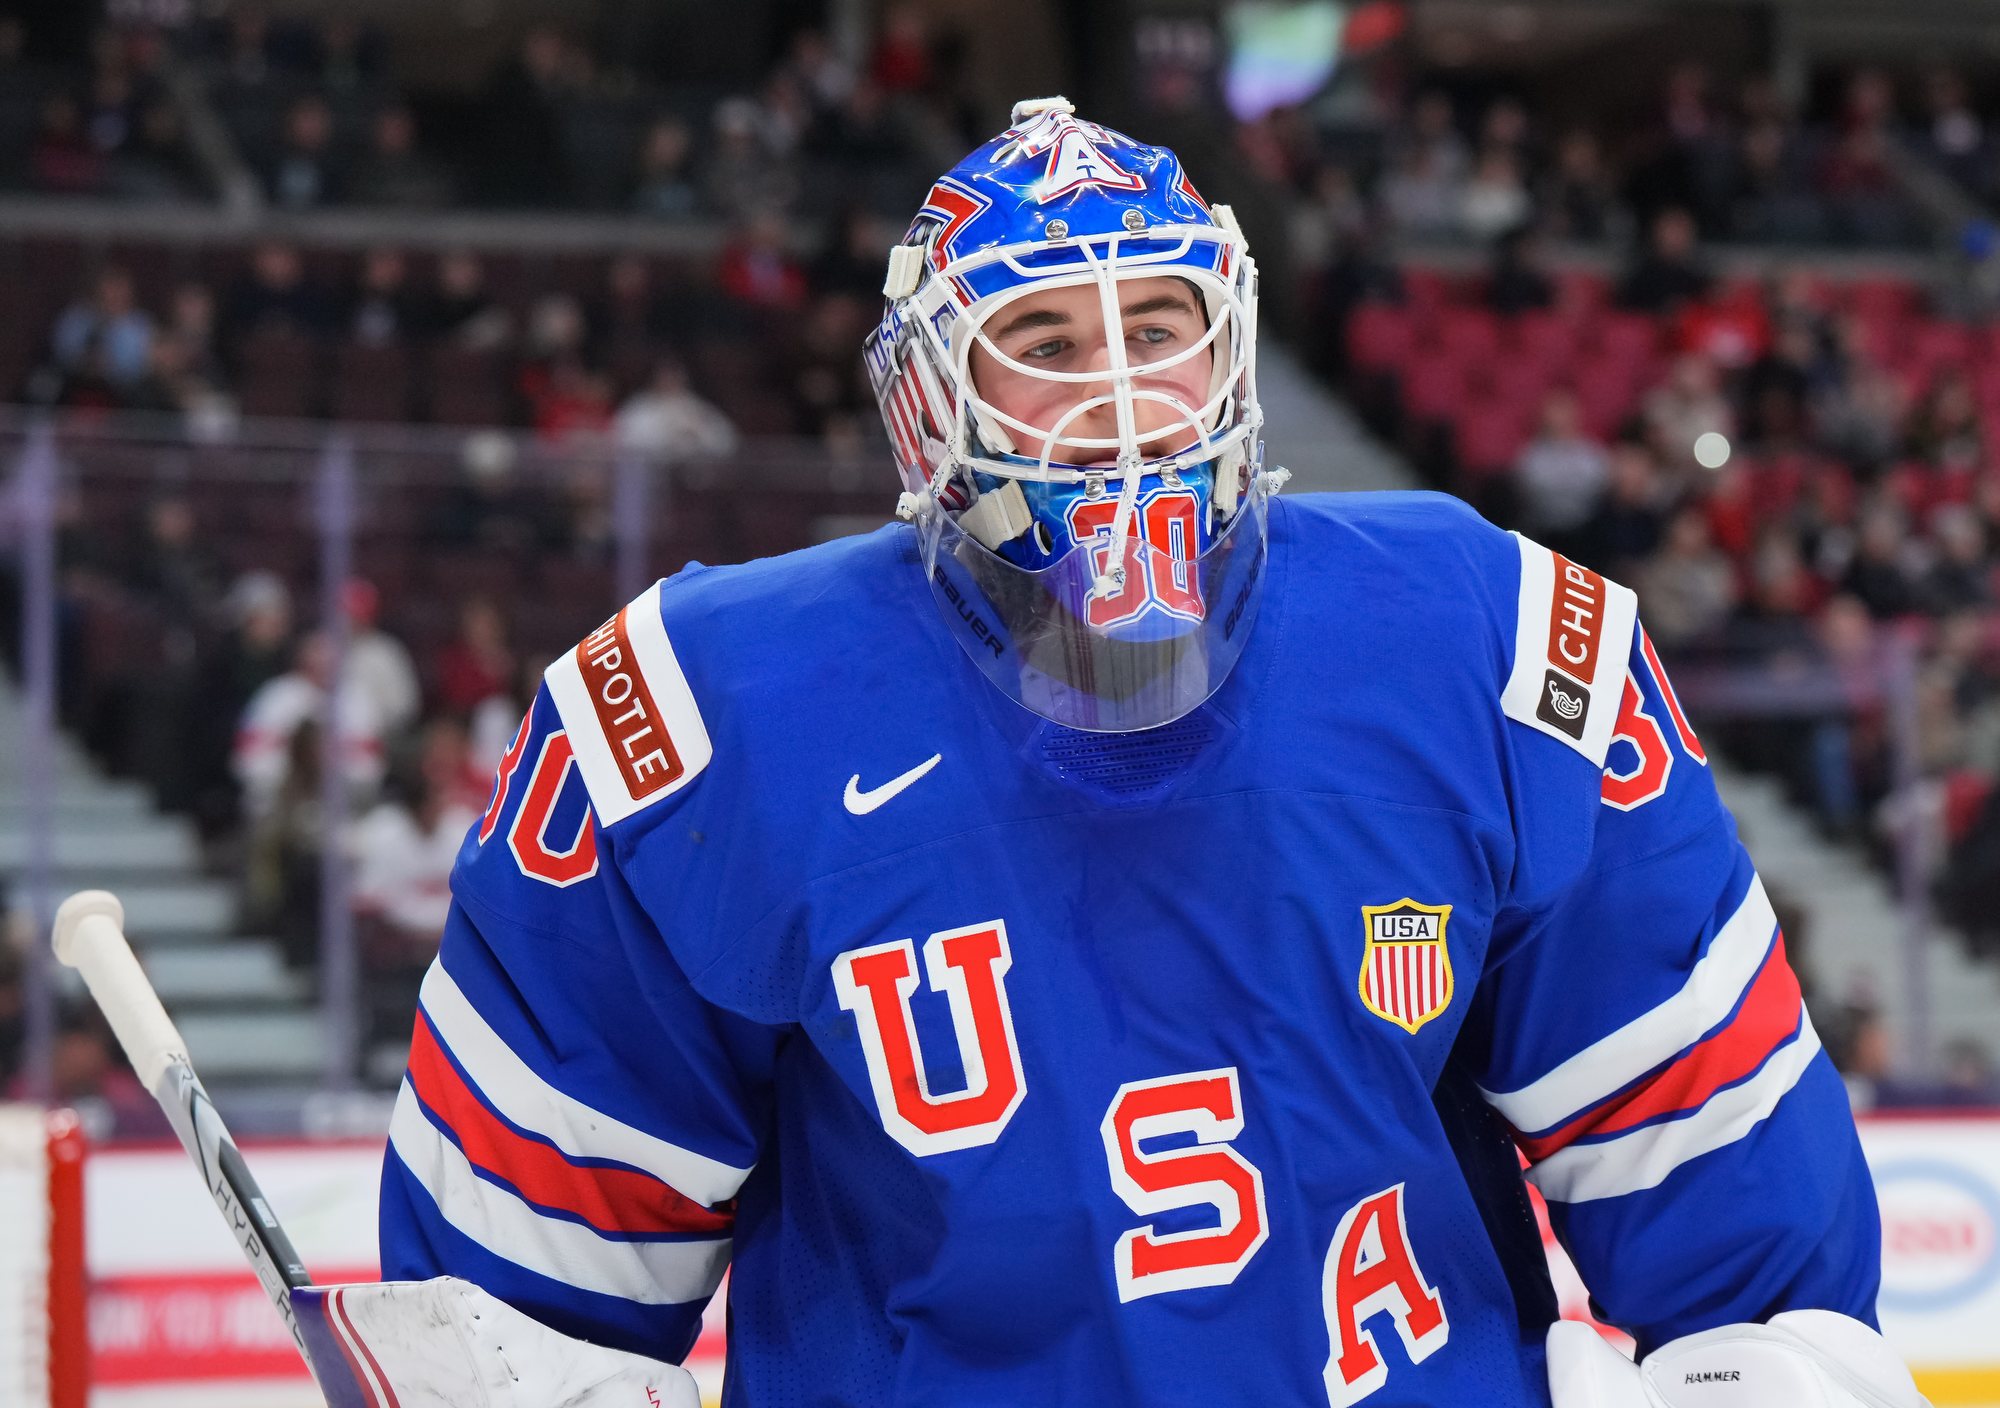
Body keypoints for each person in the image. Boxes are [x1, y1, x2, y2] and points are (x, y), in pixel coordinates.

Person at [379, 99, 1916, 1407]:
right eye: (1042, 341)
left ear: (1230, 349)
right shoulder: (700, 714)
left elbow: (1751, 1267)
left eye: (1157, 327)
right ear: (926, 405)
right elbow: (520, 1323)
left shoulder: (1487, 637)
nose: (1117, 394)